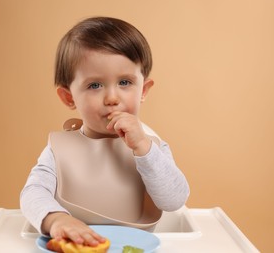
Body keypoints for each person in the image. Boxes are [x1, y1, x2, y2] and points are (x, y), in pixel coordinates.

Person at [20, 16, 189, 247]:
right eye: (95, 85)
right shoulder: (59, 150)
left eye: (125, 82)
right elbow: (32, 194)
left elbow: (174, 200)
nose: (112, 98)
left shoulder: (152, 147)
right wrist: (56, 219)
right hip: (77, 248)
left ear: (144, 90)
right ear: (69, 97)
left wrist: (144, 150)